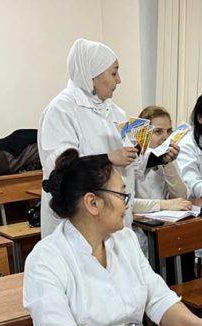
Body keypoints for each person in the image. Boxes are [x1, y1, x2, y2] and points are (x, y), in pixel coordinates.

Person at [23, 148, 202, 326]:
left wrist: (196, 324)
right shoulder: (46, 259)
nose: (127, 204)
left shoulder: (125, 239)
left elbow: (157, 297)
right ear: (92, 203)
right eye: (121, 195)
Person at [37, 38, 139, 235]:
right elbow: (62, 168)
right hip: (79, 220)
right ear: (92, 76)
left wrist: (150, 156)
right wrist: (108, 158)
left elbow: (128, 159)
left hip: (115, 213)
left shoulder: (115, 112)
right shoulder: (61, 110)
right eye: (114, 73)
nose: (119, 80)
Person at [132, 104, 195, 280]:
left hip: (164, 226)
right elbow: (128, 203)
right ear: (143, 134)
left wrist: (168, 164)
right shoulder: (131, 161)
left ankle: (183, 291)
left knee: (186, 244)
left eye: (169, 131)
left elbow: (181, 196)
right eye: (158, 132)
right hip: (140, 230)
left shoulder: (167, 158)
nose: (165, 137)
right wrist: (165, 204)